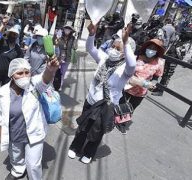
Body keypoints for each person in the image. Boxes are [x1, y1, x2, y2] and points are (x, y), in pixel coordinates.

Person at [68, 23, 136, 164]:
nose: (113, 50)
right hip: (91, 100)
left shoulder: (125, 69)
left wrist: (126, 42)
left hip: (105, 106)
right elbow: (90, 48)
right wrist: (92, 34)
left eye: (118, 48)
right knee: (83, 127)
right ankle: (75, 147)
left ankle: (89, 153)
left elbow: (132, 64)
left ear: (125, 53)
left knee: (97, 131)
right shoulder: (104, 59)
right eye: (113, 46)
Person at [0, 57, 60, 180]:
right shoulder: (2, 92)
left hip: (34, 132)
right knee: (16, 156)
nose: (24, 76)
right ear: (12, 74)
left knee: (33, 165)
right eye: (19, 73)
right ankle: (18, 171)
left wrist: (50, 69)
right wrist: (0, 134)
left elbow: (45, 79)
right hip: (15, 133)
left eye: (27, 72)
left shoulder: (34, 85)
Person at [119, 39, 165, 134]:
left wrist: (153, 84)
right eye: (150, 47)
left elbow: (156, 77)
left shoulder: (159, 63)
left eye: (154, 49)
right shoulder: (137, 57)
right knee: (121, 103)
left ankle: (122, 124)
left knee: (131, 108)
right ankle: (114, 119)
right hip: (128, 87)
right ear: (146, 47)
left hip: (141, 91)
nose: (151, 50)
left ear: (157, 51)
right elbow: (126, 69)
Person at [0, 26, 23, 108]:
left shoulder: (17, 49)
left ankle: (1, 103)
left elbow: (20, 60)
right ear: (8, 34)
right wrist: (3, 25)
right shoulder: (3, 42)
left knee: (5, 89)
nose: (13, 36)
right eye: (12, 34)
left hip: (8, 73)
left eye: (15, 35)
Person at [55, 21, 76, 89]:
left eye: (69, 29)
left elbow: (75, 47)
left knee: (63, 73)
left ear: (71, 31)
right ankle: (53, 83)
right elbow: (55, 44)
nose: (67, 30)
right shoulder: (60, 36)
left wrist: (75, 41)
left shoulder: (73, 39)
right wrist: (55, 37)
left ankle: (60, 85)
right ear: (63, 29)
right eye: (66, 28)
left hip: (67, 58)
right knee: (55, 71)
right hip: (59, 57)